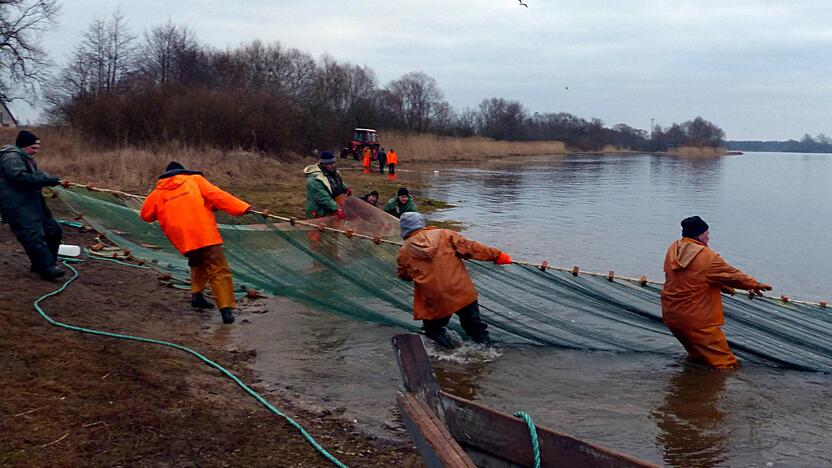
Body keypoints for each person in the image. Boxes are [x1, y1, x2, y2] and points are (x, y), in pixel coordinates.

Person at [140, 162, 251, 324]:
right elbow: (217, 196)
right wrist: (243, 208)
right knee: (218, 271)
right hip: (205, 235)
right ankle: (226, 310)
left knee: (197, 264)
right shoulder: (195, 180)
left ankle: (197, 296)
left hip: (184, 241)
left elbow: (146, 216)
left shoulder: (158, 193)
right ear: (183, 171)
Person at [661, 216, 772, 368]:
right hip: (698, 322)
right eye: (707, 233)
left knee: (698, 357)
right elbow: (733, 275)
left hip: (672, 317)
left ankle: (690, 384)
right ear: (699, 235)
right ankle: (714, 388)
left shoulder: (673, 250)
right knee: (725, 364)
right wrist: (755, 284)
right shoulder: (708, 257)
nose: (709, 236)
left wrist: (718, 285)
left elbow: (689, 277)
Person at [396, 212, 512, 348]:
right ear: (421, 223)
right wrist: (497, 256)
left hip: (435, 299)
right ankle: (485, 356)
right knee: (475, 329)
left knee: (433, 330)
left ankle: (446, 355)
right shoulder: (444, 234)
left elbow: (404, 275)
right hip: (461, 291)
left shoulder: (405, 251)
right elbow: (471, 248)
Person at [0, 130, 64, 280]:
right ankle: (47, 269)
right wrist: (46, 180)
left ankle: (44, 264)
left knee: (53, 231)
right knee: (32, 236)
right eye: (33, 148)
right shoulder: (11, 158)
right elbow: (20, 178)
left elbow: (31, 176)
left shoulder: (25, 157)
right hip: (17, 204)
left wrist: (44, 178)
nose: (35, 151)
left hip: (33, 200)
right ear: (23, 146)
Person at [304, 151, 351, 219]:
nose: (333, 165)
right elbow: (323, 197)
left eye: (334, 163)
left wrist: (346, 188)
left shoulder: (332, 172)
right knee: (318, 228)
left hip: (330, 206)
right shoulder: (315, 179)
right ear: (324, 164)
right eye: (330, 164)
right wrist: (336, 209)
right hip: (318, 210)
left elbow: (336, 183)